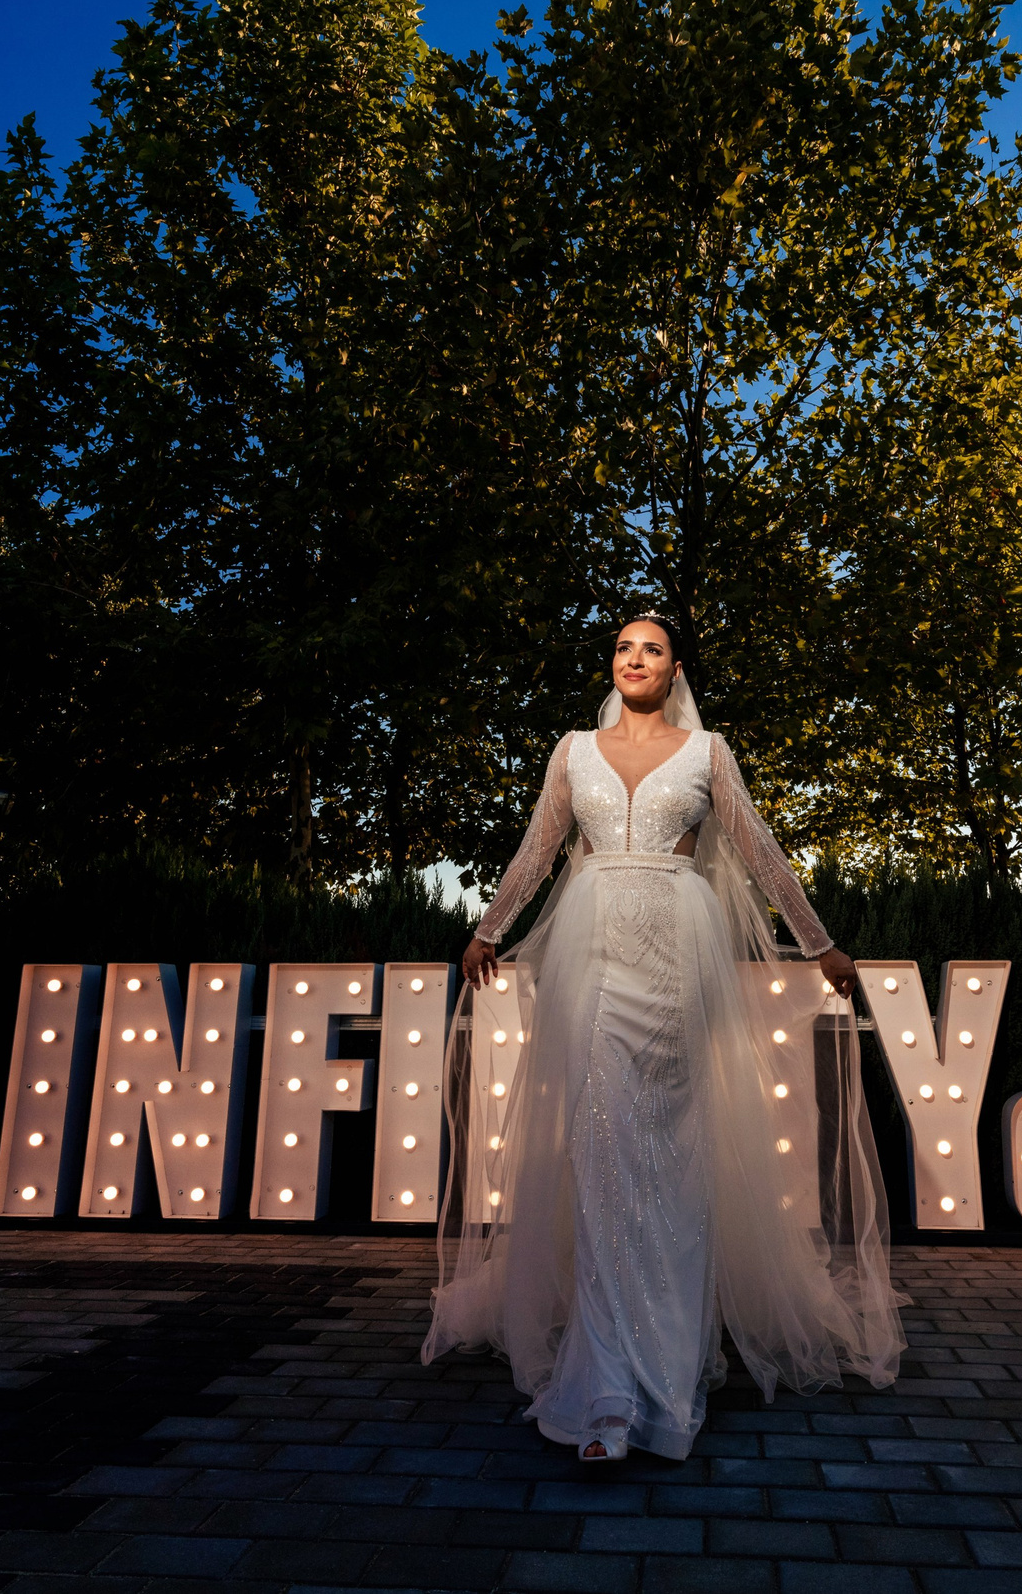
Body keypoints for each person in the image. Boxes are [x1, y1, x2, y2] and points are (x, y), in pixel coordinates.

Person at [422, 614, 904, 1462]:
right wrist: (490, 927)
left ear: (674, 666)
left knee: (671, 1164)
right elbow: (539, 848)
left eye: (649, 648)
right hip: (593, 954)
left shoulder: (708, 751)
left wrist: (819, 940)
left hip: (679, 955)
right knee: (603, 1160)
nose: (633, 658)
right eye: (621, 648)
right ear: (612, 666)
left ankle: (671, 1364)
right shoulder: (573, 749)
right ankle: (607, 1389)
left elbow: (760, 853)